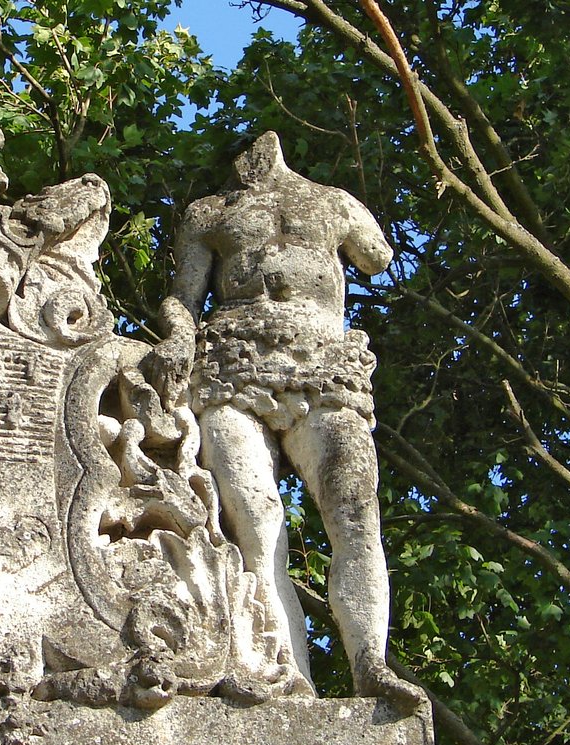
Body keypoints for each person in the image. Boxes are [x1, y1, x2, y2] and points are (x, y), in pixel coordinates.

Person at [152, 131, 424, 711]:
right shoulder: (208, 214)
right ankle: (287, 672)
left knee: (353, 514)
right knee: (254, 520)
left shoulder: (332, 203)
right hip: (232, 367)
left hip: (323, 366)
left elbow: (377, 257)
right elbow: (183, 296)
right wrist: (177, 334)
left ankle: (370, 666)